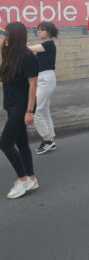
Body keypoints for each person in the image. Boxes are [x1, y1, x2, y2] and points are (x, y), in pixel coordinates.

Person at [0, 22, 39, 199]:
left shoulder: (28, 56)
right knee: (22, 143)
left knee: (5, 143)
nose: (4, 38)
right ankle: (32, 178)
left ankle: (23, 180)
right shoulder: (9, 53)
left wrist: (29, 111)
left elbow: (33, 85)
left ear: (14, 37)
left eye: (8, 35)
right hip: (10, 103)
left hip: (23, 105)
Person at [28, 21, 58, 154]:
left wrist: (20, 42)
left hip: (46, 79)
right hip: (43, 78)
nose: (38, 31)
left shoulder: (49, 44)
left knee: (35, 112)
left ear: (49, 32)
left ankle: (47, 140)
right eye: (38, 29)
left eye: (41, 30)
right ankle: (50, 139)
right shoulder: (44, 45)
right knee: (44, 110)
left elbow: (29, 48)